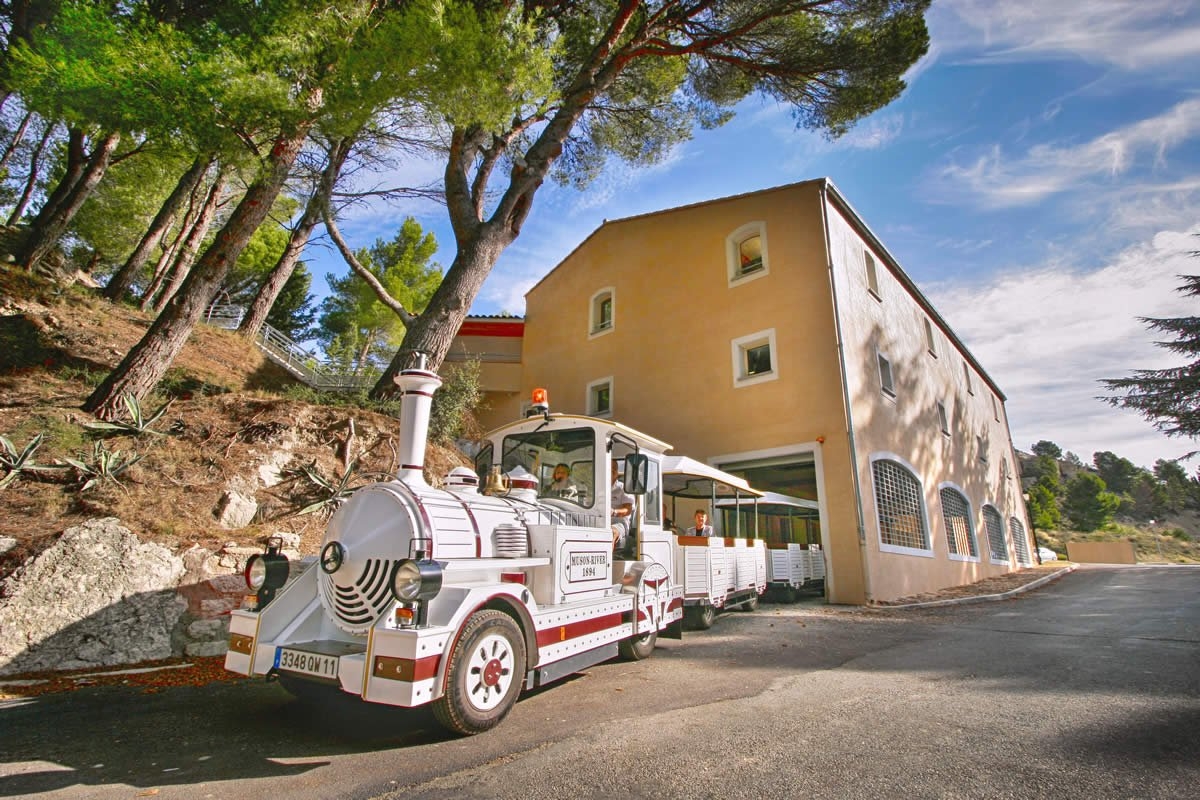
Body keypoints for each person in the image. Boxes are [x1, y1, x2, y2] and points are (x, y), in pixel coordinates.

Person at [610, 460, 634, 547]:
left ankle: (606, 560)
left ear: (617, 473)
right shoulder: (597, 488)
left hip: (619, 524)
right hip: (600, 522)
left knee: (610, 533)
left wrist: (613, 512)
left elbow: (628, 510)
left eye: (613, 469)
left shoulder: (624, 488)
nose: (610, 471)